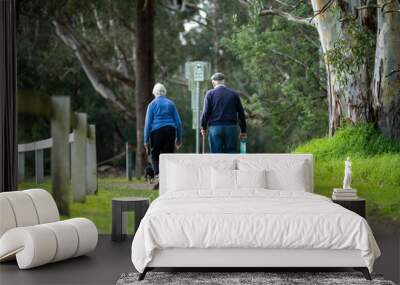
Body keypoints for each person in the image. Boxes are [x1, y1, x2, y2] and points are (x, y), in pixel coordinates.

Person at [200, 73, 247, 153]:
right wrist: (243, 130)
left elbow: (206, 112)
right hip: (231, 128)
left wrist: (203, 127)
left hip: (215, 128)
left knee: (216, 154)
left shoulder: (210, 94)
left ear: (213, 82)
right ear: (223, 81)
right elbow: (241, 113)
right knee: (231, 153)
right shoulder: (233, 94)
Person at [144, 83, 182, 179]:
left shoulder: (152, 105)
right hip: (170, 131)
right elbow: (178, 123)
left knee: (155, 155)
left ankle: (158, 174)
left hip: (157, 132)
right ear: (164, 92)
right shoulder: (171, 104)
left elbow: (148, 124)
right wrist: (178, 139)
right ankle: (167, 178)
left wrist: (145, 140)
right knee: (168, 156)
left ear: (154, 93)